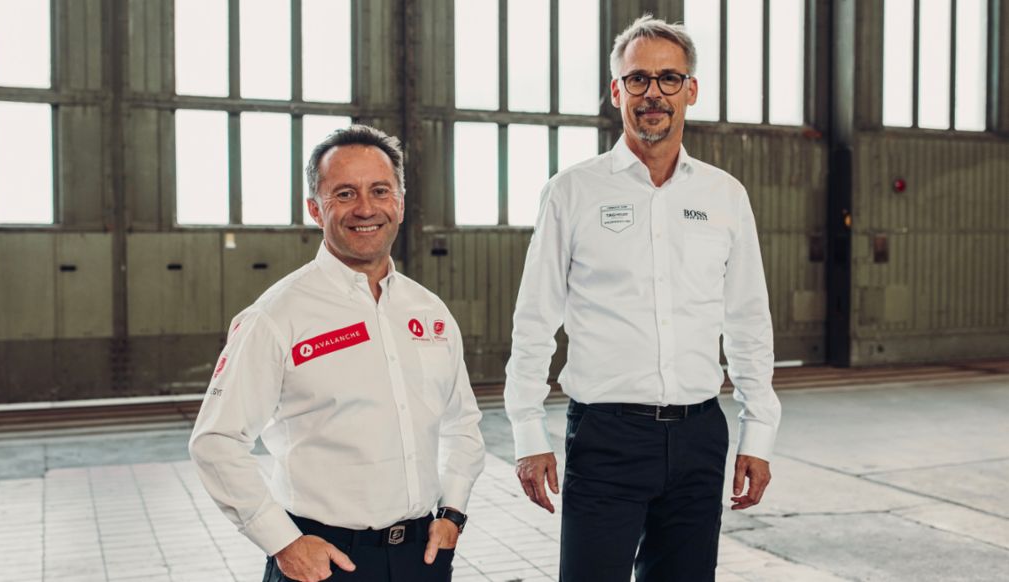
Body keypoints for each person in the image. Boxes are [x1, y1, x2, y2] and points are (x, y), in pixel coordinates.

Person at [503, 15, 782, 582]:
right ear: (616, 91)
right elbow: (535, 320)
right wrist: (528, 434)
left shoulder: (725, 195)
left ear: (691, 90)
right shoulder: (572, 192)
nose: (653, 92)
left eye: (669, 78)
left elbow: (749, 319)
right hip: (607, 439)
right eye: (637, 79)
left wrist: (760, 432)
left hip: (701, 437)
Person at [189, 125, 485, 582]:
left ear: (400, 203)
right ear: (314, 208)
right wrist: (283, 542)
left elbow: (461, 422)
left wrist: (453, 512)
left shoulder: (430, 312)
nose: (365, 208)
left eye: (380, 191)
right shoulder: (276, 316)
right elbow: (215, 441)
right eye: (344, 193)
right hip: (323, 562)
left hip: (421, 558)